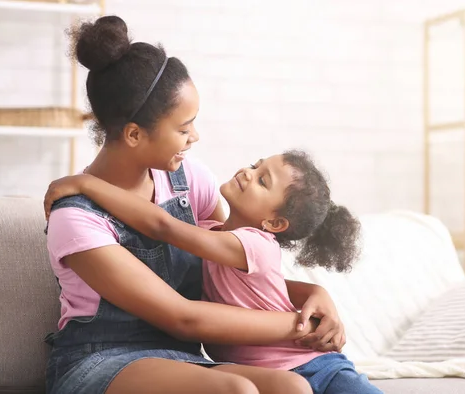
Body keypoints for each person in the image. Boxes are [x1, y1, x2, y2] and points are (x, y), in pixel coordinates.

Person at [43, 15, 345, 394]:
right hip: (100, 362)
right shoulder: (75, 215)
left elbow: (232, 273)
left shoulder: (189, 181)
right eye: (183, 129)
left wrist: (317, 296)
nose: (195, 137)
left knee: (293, 388)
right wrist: (302, 323)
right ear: (135, 134)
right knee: (236, 390)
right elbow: (183, 319)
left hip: (183, 358)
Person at [44, 150, 382, 394]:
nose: (248, 172)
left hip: (313, 364)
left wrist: (87, 185)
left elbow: (163, 225)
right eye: (255, 164)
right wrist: (314, 292)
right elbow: (270, 289)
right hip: (269, 370)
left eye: (262, 180)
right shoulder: (216, 233)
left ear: (274, 223)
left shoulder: (252, 244)